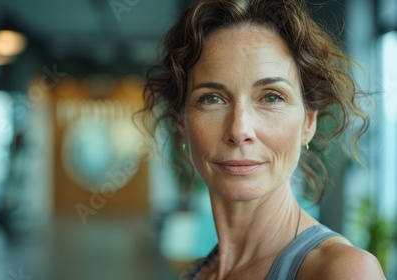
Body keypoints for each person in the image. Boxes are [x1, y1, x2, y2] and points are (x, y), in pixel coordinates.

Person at [140, 0, 386, 279]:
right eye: (212, 98)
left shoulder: (341, 271)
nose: (239, 129)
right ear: (181, 121)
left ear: (309, 122)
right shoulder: (197, 273)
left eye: (271, 97)